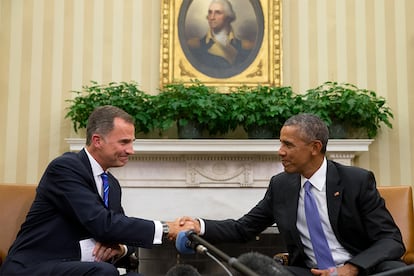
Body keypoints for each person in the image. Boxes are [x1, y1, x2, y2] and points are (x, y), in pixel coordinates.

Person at [180, 113, 406, 276]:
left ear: (315, 147)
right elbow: (243, 228)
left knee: (397, 270)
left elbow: (391, 240)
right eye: (281, 144)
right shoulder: (282, 186)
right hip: (310, 272)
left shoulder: (355, 181)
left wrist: (352, 268)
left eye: (288, 145)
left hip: (359, 269)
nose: (280, 152)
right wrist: (200, 226)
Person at [0, 105, 195, 276]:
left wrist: (121, 248)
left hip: (85, 268)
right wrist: (167, 228)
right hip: (36, 267)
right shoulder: (65, 168)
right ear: (97, 140)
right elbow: (102, 223)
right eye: (124, 142)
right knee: (104, 271)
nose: (131, 150)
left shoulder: (111, 183)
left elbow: (122, 230)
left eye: (132, 142)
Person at [187, 0, 254, 69]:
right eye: (210, 12)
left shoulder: (246, 47)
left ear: (228, 17)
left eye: (217, 13)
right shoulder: (195, 46)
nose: (212, 17)